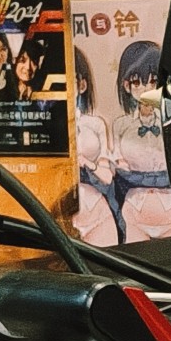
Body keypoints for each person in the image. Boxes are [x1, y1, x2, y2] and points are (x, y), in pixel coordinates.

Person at [111, 39, 171, 242]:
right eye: (137, 82)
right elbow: (116, 167)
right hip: (134, 210)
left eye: (153, 81)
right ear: (126, 85)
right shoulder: (120, 125)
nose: (146, 88)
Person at [71, 48, 120, 246]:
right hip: (58, 216)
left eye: (71, 80)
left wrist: (87, 164)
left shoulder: (96, 124)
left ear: (82, 85)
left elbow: (107, 176)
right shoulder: (45, 126)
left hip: (97, 212)